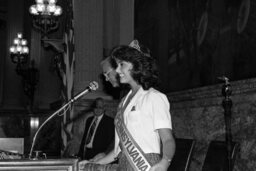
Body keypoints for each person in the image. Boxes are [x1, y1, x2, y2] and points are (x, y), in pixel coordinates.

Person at [80, 41, 176, 171]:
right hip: (124, 164)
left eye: (122, 65)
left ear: (136, 66)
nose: (118, 70)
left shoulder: (154, 97)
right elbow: (117, 151)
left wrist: (165, 162)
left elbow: (168, 139)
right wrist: (92, 163)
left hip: (146, 164)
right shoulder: (124, 102)